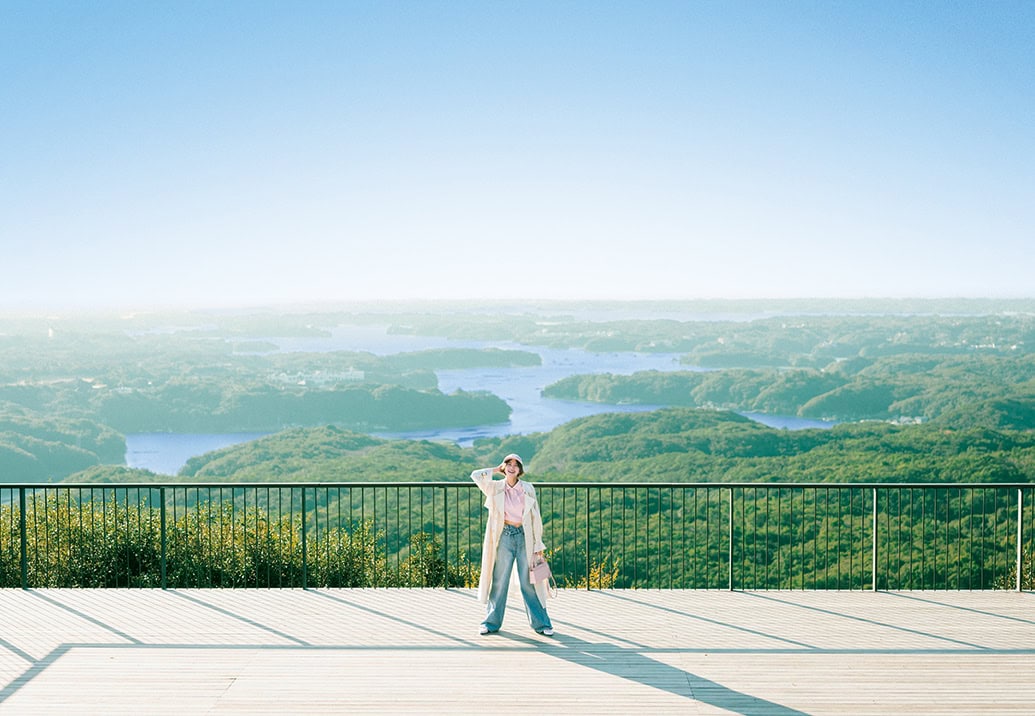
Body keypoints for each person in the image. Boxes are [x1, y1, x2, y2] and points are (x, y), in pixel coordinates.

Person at [470, 453, 555, 636]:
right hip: (505, 536)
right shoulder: (495, 487)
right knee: (499, 580)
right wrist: (495, 469)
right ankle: (490, 623)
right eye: (508, 463)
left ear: (520, 470)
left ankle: (542, 624)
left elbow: (535, 518)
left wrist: (539, 544)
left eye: (516, 464)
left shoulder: (527, 488)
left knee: (529, 582)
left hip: (525, 537)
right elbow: (476, 475)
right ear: (504, 466)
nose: (512, 467)